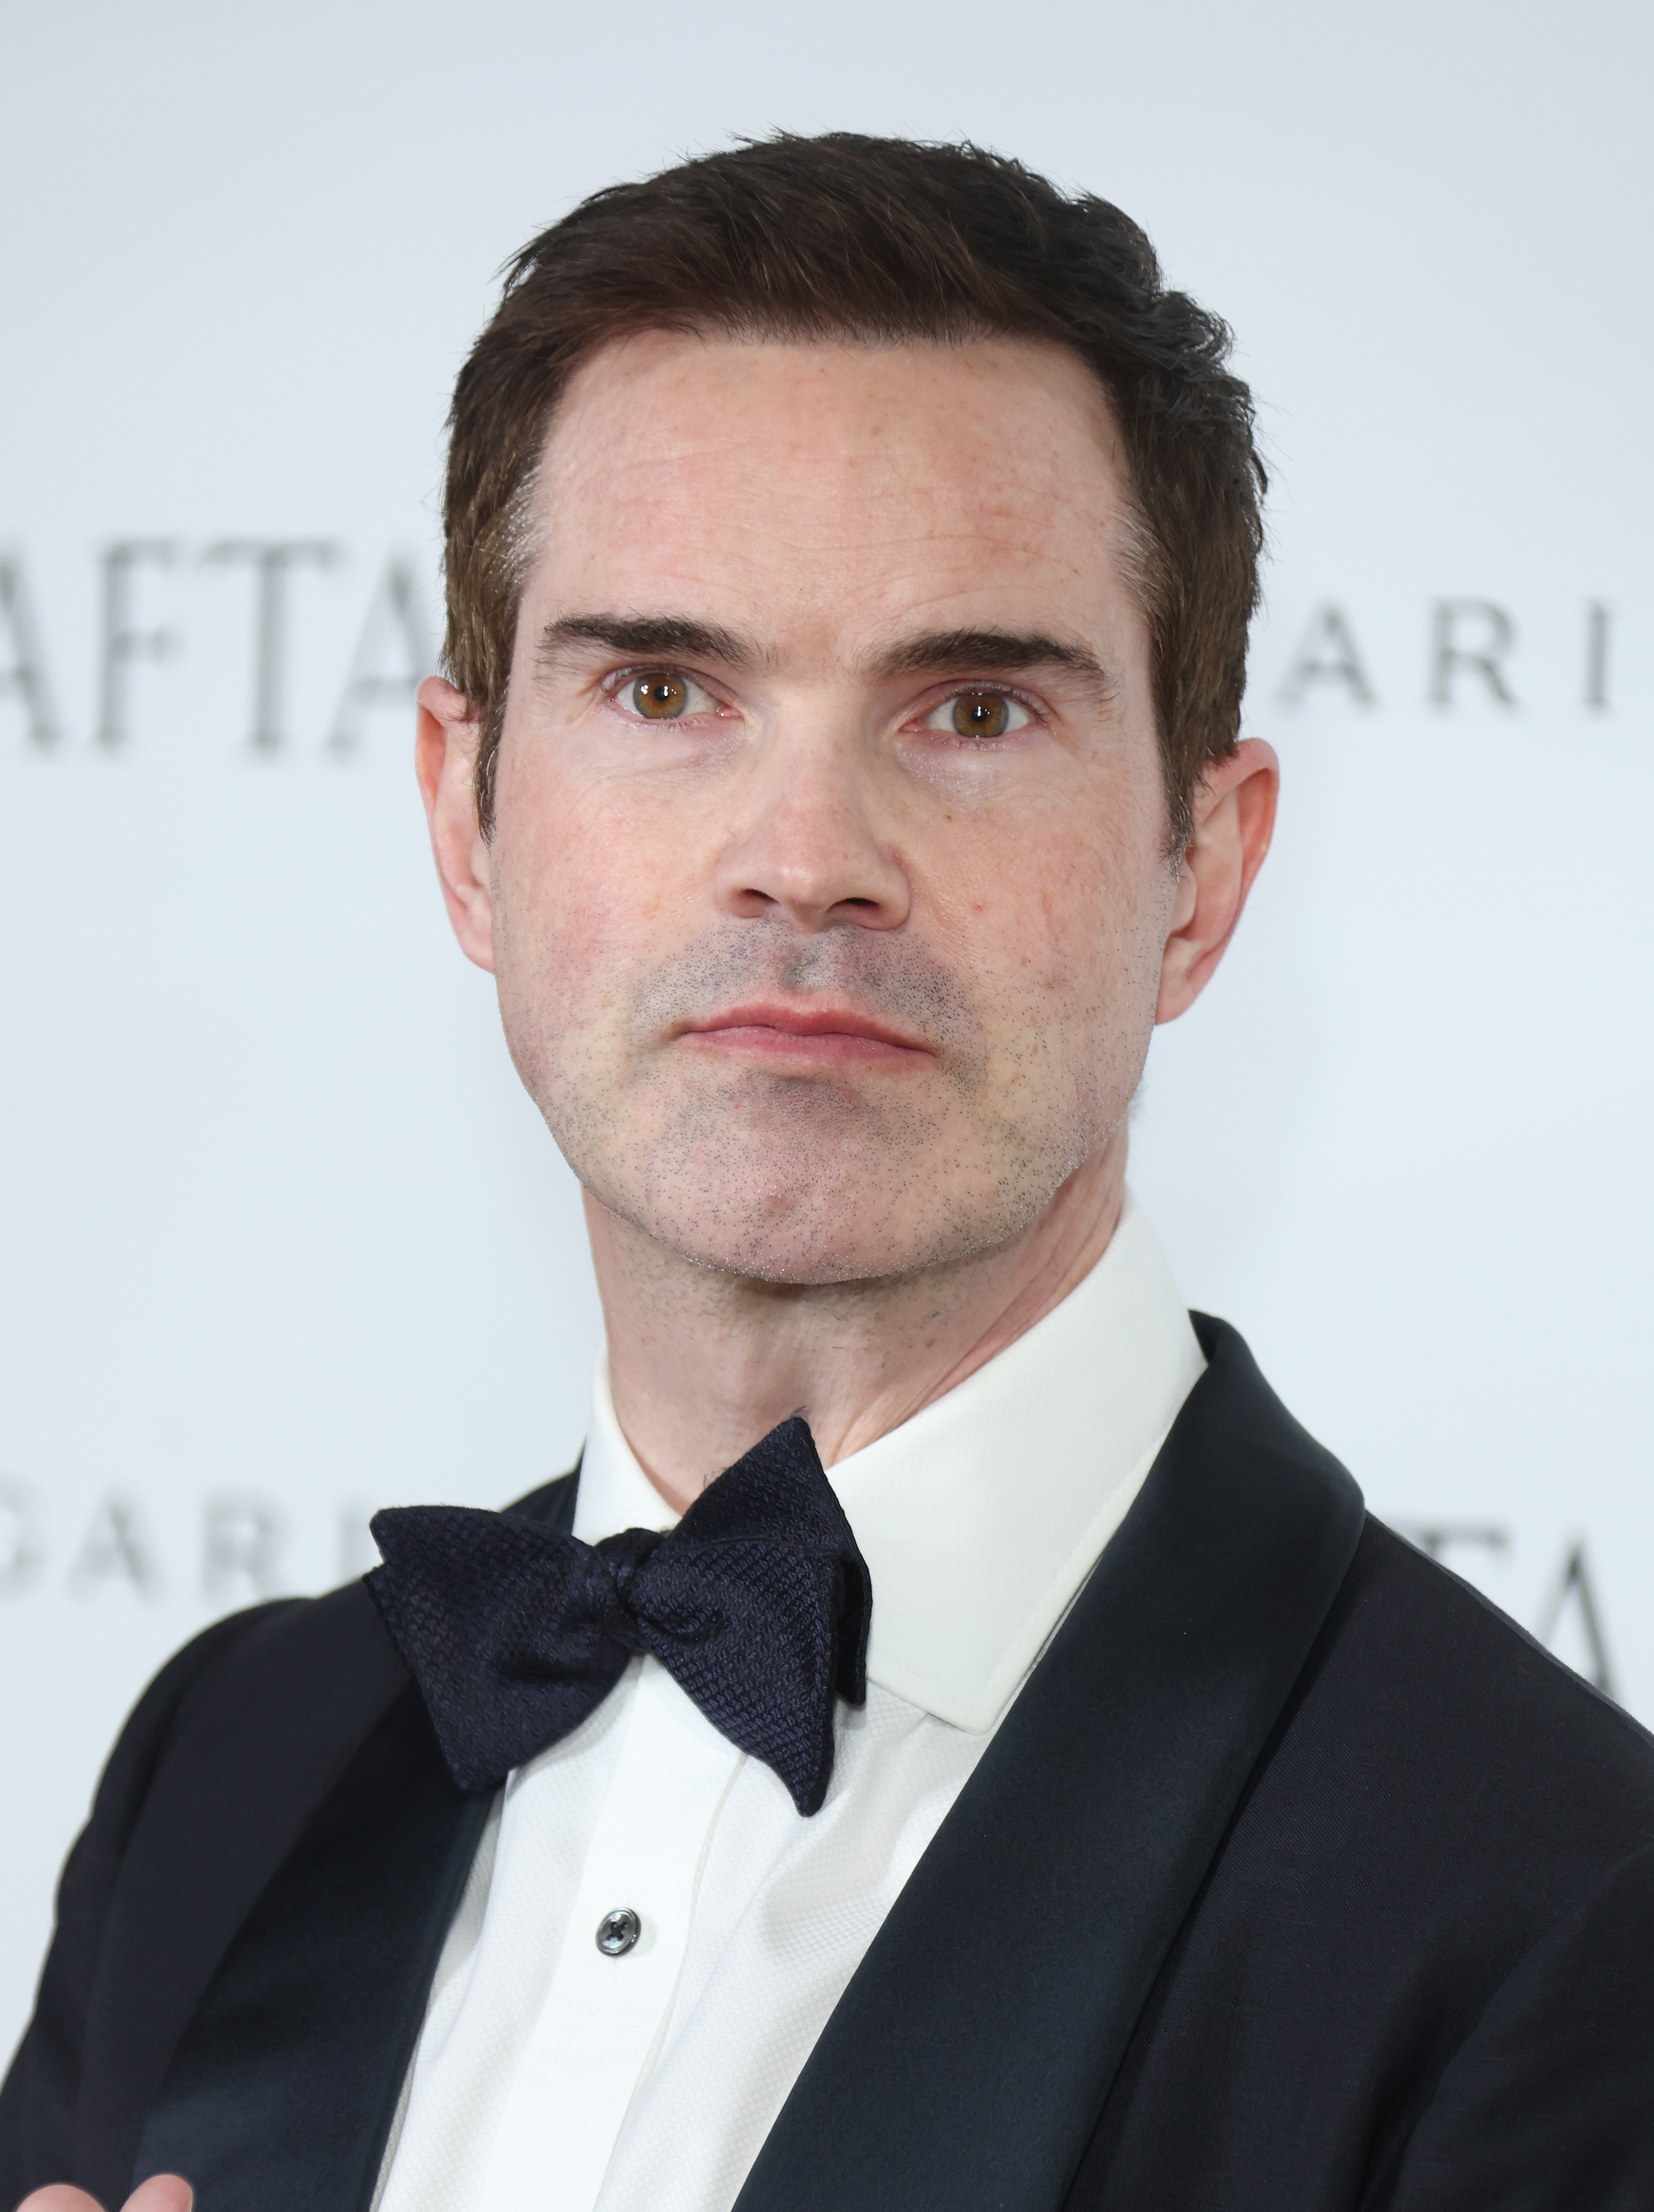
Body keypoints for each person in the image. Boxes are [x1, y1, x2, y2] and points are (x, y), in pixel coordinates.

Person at [4, 132, 1652, 2212]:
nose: (806, 854)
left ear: (1199, 875)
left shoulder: (1562, 1914)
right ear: (467, 820)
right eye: (664, 689)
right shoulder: (224, 1765)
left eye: (970, 709)